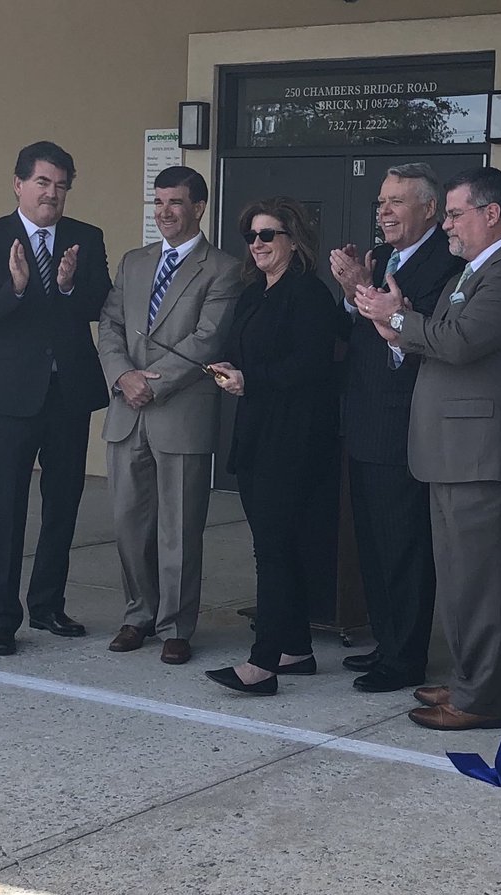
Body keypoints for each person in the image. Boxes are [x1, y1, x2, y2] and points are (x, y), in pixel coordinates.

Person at [355, 167, 501, 730]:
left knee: (484, 582)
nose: (447, 225)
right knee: (461, 578)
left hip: (482, 452)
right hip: (453, 449)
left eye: (455, 214)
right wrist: (396, 322)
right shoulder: (475, 271)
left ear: (492, 214)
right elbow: (436, 337)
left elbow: (459, 343)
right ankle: (469, 680)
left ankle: (483, 698)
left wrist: (395, 317)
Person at [0, 141, 111, 657]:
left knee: (63, 504)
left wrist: (69, 287)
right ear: (19, 184)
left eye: (62, 184)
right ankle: (4, 616)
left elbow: (103, 304)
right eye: (44, 182)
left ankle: (48, 604)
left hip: (68, 393)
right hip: (10, 397)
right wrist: (18, 289)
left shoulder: (84, 238)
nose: (53, 193)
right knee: (7, 507)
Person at [96, 166, 242, 665]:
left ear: (198, 208)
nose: (164, 212)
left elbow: (207, 339)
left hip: (179, 413)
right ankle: (138, 614)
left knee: (179, 528)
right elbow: (110, 324)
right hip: (125, 412)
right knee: (129, 522)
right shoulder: (135, 262)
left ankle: (177, 624)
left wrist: (147, 383)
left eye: (175, 203)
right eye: (158, 203)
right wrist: (122, 376)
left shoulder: (222, 268)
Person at [329, 163, 463, 693]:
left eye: (395, 202)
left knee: (404, 546)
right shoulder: (381, 258)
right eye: (380, 203)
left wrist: (365, 291)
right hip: (363, 418)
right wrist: (351, 292)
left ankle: (406, 656)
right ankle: (385, 642)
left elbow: (422, 342)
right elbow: (355, 332)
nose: (382, 212)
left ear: (429, 209)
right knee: (373, 545)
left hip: (404, 423)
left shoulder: (445, 264)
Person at [204, 197, 340, 696]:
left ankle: (263, 663)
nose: (257, 245)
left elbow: (310, 366)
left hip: (295, 438)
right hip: (258, 431)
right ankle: (296, 648)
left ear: (292, 239)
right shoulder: (253, 293)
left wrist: (250, 378)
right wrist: (228, 369)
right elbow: (243, 351)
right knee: (274, 544)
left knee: (276, 550)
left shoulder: (309, 295)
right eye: (251, 237)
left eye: (267, 235)